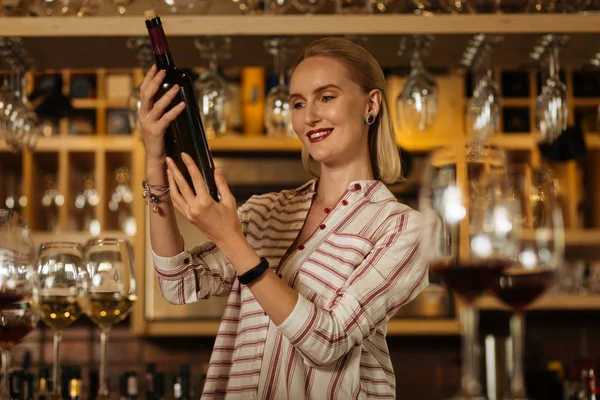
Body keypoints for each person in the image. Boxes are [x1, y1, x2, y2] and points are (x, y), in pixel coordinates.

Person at [139, 37, 429, 399]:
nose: (309, 117)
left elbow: (328, 340)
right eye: (298, 103)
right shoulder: (266, 211)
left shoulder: (402, 228)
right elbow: (178, 283)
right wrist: (154, 159)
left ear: (371, 104)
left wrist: (231, 239)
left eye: (327, 97)